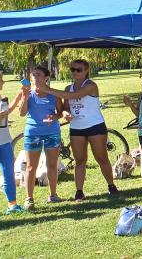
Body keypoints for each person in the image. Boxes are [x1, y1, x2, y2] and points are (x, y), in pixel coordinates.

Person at [37, 59, 118, 201]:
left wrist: (47, 89)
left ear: (86, 71)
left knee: (101, 158)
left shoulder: (91, 85)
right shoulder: (69, 88)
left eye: (78, 70)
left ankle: (111, 186)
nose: (75, 72)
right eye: (72, 69)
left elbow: (75, 96)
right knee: (79, 160)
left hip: (95, 126)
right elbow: (66, 106)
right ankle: (79, 191)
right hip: (76, 128)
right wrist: (65, 113)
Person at [0, 68, 27, 221]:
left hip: (5, 142)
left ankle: (12, 205)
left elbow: (5, 112)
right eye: (0, 80)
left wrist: (19, 97)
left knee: (9, 174)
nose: (3, 82)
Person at [19, 65, 64, 210]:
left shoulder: (54, 94)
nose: (34, 77)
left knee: (52, 165)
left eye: (37, 74)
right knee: (31, 167)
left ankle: (53, 194)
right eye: (33, 75)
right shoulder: (28, 94)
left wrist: (54, 117)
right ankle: (29, 199)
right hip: (33, 133)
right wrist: (25, 97)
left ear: (46, 78)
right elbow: (22, 113)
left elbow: (61, 112)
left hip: (52, 133)